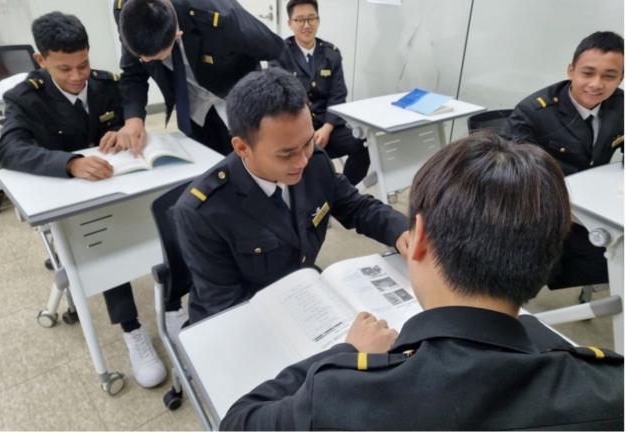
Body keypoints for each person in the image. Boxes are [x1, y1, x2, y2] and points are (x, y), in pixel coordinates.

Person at [219, 131, 624, 431]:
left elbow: (239, 422)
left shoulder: (341, 396)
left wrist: (343, 352)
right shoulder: (609, 388)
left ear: (419, 241)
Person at [0, 12, 187, 388]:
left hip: (123, 186)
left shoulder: (104, 83)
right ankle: (132, 330)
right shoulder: (24, 97)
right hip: (78, 205)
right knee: (104, 242)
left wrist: (124, 130)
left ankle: (175, 309)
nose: (77, 75)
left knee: (171, 218)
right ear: (41, 61)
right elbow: (9, 149)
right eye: (63, 68)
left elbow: (131, 112)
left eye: (82, 63)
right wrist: (69, 163)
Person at [173, 68, 409, 323]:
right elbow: (227, 309)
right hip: (249, 318)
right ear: (242, 147)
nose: (302, 161)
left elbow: (357, 207)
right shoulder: (204, 211)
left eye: (307, 142)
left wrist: (402, 231)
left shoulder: (315, 162)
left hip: (303, 291)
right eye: (286, 154)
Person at [503, 31, 624, 289]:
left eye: (609, 76)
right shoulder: (534, 112)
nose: (596, 84)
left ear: (621, 78)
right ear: (571, 70)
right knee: (615, 260)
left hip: (598, 203)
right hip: (549, 215)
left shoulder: (619, 105)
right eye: (588, 73)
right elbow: (516, 175)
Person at [112, 0, 286, 156]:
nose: (146, 62)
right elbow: (133, 73)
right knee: (205, 161)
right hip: (192, 103)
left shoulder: (222, 18)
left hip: (233, 96)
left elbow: (277, 50)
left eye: (157, 58)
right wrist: (133, 119)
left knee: (245, 159)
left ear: (177, 34)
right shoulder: (127, 12)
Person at [272, 0, 370, 185]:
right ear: (290, 23)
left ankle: (340, 192)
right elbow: (279, 98)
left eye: (311, 18)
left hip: (328, 125)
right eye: (299, 20)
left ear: (318, 21)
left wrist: (327, 127)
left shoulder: (330, 53)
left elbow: (338, 95)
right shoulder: (280, 53)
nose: (306, 25)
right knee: (304, 157)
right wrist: (306, 131)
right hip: (295, 126)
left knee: (363, 144)